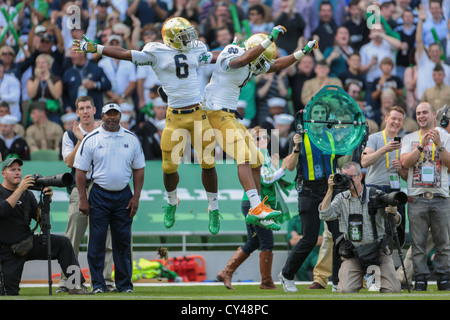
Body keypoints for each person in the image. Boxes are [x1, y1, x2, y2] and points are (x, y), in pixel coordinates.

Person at [73, 17, 222, 234]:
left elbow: (213, 57)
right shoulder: (156, 52)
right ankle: (172, 202)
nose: (190, 39)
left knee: (208, 162)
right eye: (183, 36)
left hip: (198, 113)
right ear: (171, 38)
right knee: (169, 167)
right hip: (175, 116)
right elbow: (126, 54)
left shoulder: (196, 48)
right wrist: (97, 48)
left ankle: (214, 207)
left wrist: (233, 53)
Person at [203, 28, 317, 229]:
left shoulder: (253, 62)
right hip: (214, 114)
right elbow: (239, 62)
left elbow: (277, 65)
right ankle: (254, 207)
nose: (260, 65)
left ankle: (258, 208)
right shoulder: (233, 52)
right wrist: (270, 39)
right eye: (259, 57)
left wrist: (303, 52)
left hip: (229, 116)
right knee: (244, 156)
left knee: (256, 158)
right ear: (253, 49)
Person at [278, 102, 350, 293]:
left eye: (321, 112)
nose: (318, 116)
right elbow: (291, 166)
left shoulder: (331, 138)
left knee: (339, 237)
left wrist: (350, 145)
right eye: (315, 112)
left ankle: (336, 281)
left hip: (330, 190)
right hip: (308, 191)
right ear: (309, 116)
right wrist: (295, 147)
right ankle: (286, 275)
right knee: (309, 239)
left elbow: (342, 163)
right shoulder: (301, 137)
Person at [74, 102, 145, 294]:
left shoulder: (131, 138)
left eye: (115, 114)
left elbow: (139, 169)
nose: (112, 118)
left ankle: (124, 285)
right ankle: (97, 285)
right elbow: (80, 171)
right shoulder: (92, 139)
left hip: (123, 194)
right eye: (108, 114)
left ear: (121, 116)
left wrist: (136, 197)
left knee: (122, 242)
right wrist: (82, 198)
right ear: (102, 116)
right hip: (99, 193)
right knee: (96, 241)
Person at [216, 127, 294, 290]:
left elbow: (266, 178)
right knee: (267, 242)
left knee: (254, 241)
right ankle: (266, 282)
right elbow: (266, 179)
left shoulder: (261, 154)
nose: (263, 141)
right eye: (258, 138)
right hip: (256, 205)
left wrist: (278, 165)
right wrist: (283, 168)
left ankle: (227, 271)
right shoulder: (255, 154)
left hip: (252, 203)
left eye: (265, 137)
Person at [0, 157, 88, 295]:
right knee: (8, 293)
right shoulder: (3, 192)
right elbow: (2, 210)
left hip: (27, 243)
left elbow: (42, 221)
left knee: (63, 243)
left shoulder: (27, 194)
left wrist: (47, 200)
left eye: (19, 169)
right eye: (12, 170)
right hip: (8, 250)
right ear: (3, 174)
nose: (17, 172)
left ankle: (75, 285)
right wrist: (20, 189)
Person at [56, 96, 115, 293]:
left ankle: (105, 281)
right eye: (81, 108)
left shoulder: (105, 132)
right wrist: (80, 140)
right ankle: (70, 282)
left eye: (88, 107)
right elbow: (69, 163)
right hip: (78, 188)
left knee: (104, 238)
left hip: (101, 187)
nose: (85, 111)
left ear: (95, 109)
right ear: (77, 112)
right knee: (73, 238)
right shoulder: (69, 135)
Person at [319, 161, 402, 293]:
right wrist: (330, 190)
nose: (347, 180)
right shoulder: (341, 198)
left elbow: (397, 221)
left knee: (392, 290)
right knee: (346, 290)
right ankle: (364, 278)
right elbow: (325, 215)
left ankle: (375, 277)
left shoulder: (376, 194)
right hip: (353, 252)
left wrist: (393, 212)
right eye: (344, 177)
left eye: (350, 177)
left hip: (378, 250)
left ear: (360, 176)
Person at [399, 102, 450, 291]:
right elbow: (404, 162)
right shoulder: (410, 138)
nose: (421, 116)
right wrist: (420, 146)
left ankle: (443, 277)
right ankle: (420, 278)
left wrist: (439, 145)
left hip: (441, 196)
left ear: (433, 116)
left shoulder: (446, 137)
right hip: (417, 197)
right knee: (418, 242)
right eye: (418, 113)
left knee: (443, 242)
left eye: (425, 113)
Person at [361, 106, 408, 247]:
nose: (396, 122)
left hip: (394, 190)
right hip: (374, 188)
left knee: (395, 231)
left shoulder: (404, 143)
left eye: (399, 120)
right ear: (386, 118)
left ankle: (389, 264)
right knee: (372, 231)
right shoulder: (374, 138)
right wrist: (385, 149)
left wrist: (400, 169)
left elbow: (407, 177)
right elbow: (364, 161)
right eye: (393, 118)